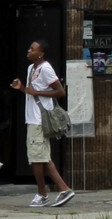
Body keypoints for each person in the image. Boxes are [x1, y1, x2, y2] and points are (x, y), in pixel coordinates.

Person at [11, 41, 75, 207]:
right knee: (40, 157)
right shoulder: (31, 68)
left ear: (41, 53)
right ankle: (60, 190)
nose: (28, 50)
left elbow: (60, 92)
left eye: (32, 48)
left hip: (39, 120)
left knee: (38, 158)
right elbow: (31, 93)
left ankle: (44, 194)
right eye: (29, 47)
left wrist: (36, 91)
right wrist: (22, 88)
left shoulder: (46, 68)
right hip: (32, 119)